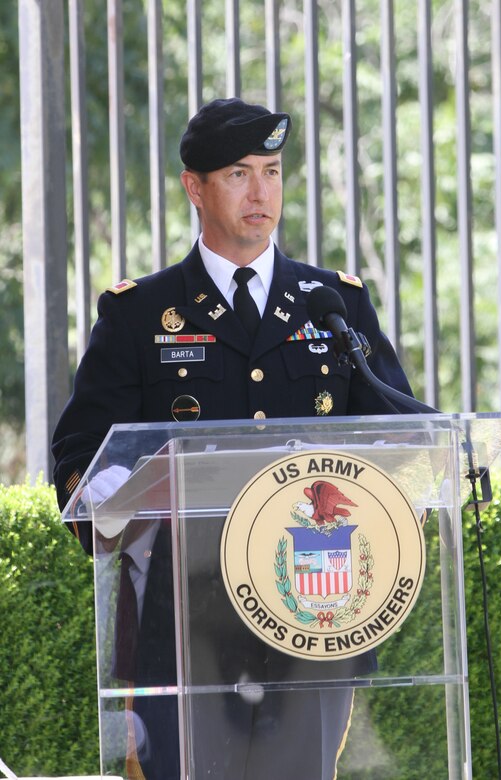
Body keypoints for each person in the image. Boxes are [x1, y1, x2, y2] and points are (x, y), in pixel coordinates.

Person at [52, 97, 414, 780]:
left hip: (312, 615)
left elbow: (394, 426)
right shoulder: (138, 316)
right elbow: (78, 459)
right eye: (239, 174)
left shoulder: (331, 302)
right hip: (181, 624)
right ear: (195, 187)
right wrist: (130, 499)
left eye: (272, 172)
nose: (261, 192)